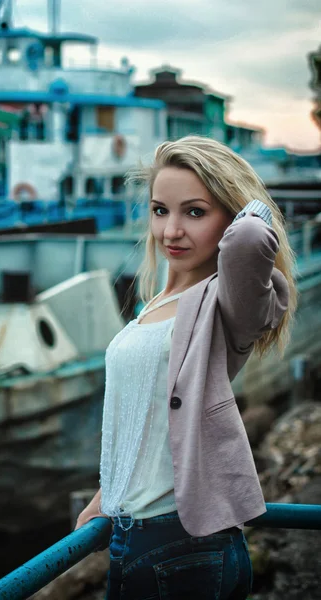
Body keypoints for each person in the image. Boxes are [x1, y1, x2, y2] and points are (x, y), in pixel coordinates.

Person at [75, 136, 297, 599]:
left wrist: (249, 203)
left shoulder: (226, 302)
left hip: (180, 545)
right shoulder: (159, 301)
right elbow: (139, 421)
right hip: (137, 536)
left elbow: (253, 237)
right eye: (160, 210)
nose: (171, 230)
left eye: (195, 212)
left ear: (227, 215)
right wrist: (105, 499)